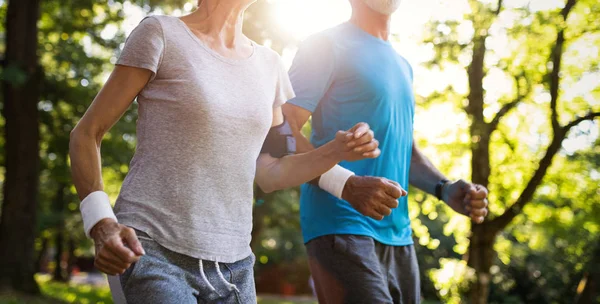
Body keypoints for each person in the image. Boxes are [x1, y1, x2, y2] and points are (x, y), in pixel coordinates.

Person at [68, 0, 384, 303]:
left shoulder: (269, 65)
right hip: (152, 249)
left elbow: (272, 172)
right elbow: (86, 133)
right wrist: (101, 223)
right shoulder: (161, 34)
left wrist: (335, 151)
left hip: (235, 267)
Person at [282, 0, 490, 303]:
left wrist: (443, 187)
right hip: (340, 224)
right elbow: (281, 130)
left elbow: (405, 149)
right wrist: (345, 184)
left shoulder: (402, 65)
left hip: (399, 235)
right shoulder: (324, 45)